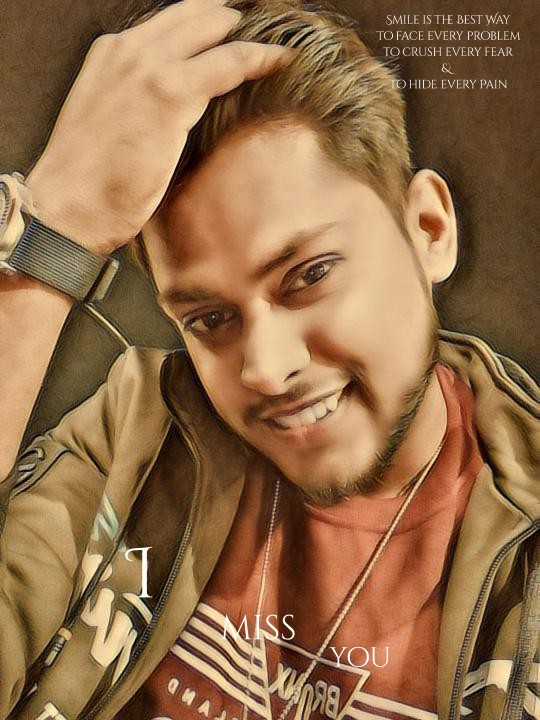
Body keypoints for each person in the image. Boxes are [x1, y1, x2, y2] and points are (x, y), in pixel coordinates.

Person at [0, 1, 537, 719]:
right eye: (210, 319)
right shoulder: (135, 435)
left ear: (429, 230)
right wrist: (53, 238)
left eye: (310, 275)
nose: (264, 369)